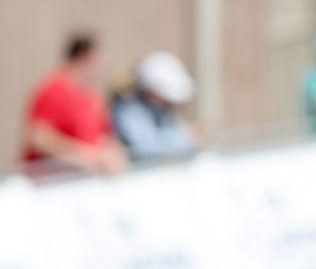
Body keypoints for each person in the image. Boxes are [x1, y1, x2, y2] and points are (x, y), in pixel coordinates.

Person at [22, 33, 127, 175]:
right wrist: (84, 157)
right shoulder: (53, 90)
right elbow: (39, 138)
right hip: (51, 184)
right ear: (83, 57)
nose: (102, 66)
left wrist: (114, 155)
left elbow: (104, 134)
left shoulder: (91, 96)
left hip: (83, 183)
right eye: (98, 59)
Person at [112, 51, 198, 162]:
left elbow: (176, 128)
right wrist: (185, 137)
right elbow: (143, 146)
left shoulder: (162, 110)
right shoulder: (129, 111)